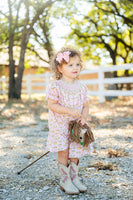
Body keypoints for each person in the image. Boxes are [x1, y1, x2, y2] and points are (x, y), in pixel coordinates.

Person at [46, 47, 91, 195]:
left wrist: (83, 118)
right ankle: (64, 180)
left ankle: (74, 177)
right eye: (70, 65)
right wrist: (69, 110)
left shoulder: (82, 87)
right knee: (64, 151)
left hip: (76, 127)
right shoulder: (55, 86)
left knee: (75, 152)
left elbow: (85, 105)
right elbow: (52, 105)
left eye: (77, 64)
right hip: (60, 125)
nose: (75, 68)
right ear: (60, 68)